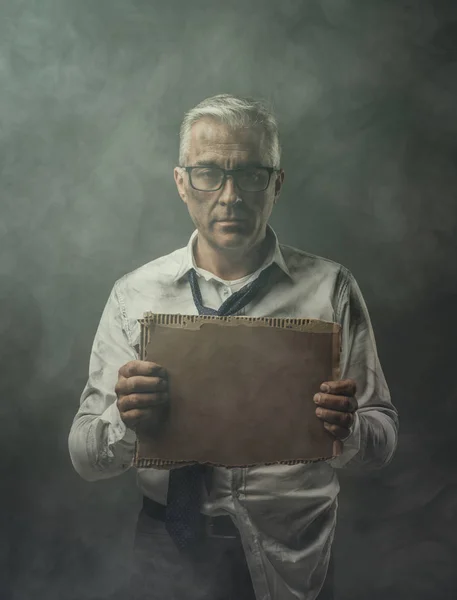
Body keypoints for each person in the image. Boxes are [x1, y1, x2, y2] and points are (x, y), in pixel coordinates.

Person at [68, 94, 399, 600]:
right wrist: (125, 424)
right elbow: (85, 457)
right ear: (181, 183)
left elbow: (381, 443)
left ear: (276, 185)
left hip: (293, 548)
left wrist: (348, 428)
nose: (230, 196)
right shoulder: (133, 295)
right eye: (207, 173)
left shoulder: (330, 289)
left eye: (251, 175)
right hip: (167, 545)